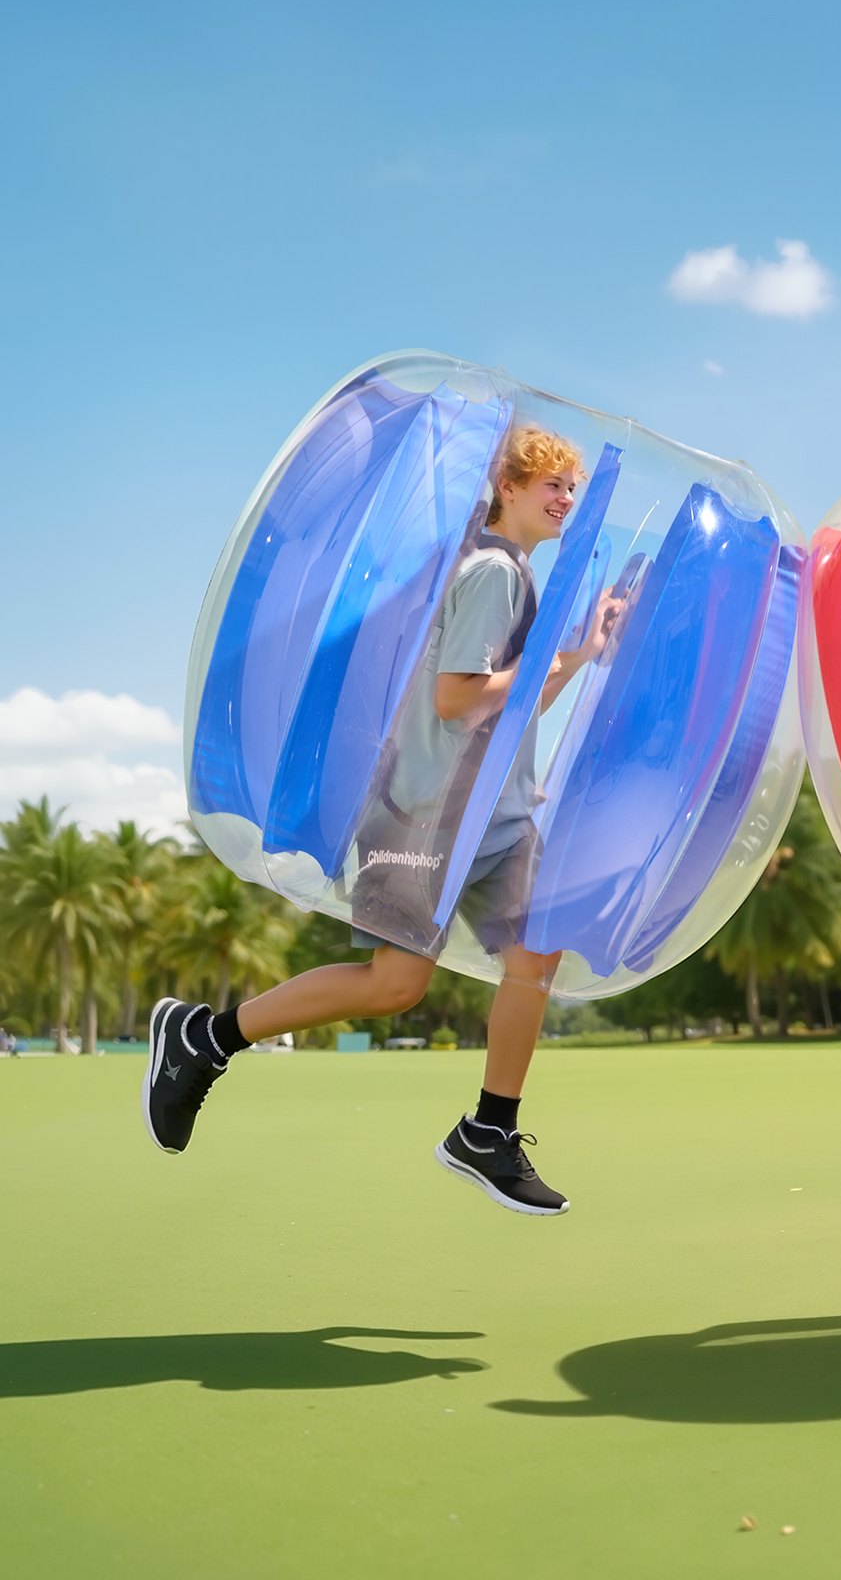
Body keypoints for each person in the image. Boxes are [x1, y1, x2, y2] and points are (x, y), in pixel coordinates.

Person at [144, 425, 622, 1217]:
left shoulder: (515, 577)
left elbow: (512, 703)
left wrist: (581, 652)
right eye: (552, 483)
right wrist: (553, 659)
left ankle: (489, 1130)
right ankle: (206, 1037)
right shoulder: (495, 573)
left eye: (573, 486)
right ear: (507, 487)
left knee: (535, 954)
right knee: (396, 985)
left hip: (490, 817)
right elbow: (457, 699)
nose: (567, 498)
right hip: (427, 819)